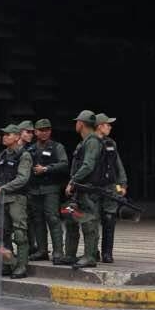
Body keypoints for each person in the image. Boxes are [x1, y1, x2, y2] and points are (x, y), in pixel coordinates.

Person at [0, 125, 32, 279]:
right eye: (3, 134)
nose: (4, 137)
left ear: (18, 137)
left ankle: (21, 265)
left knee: (20, 233)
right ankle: (8, 263)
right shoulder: (3, 155)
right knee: (4, 232)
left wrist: (2, 188)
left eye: (8, 134)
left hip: (16, 198)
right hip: (3, 198)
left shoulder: (23, 155)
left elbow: (22, 178)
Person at [61, 110, 104, 268]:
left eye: (77, 122)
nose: (76, 124)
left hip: (88, 189)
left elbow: (88, 165)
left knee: (88, 222)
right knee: (72, 218)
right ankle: (70, 254)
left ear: (81, 123)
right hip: (81, 189)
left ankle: (90, 256)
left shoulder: (92, 141)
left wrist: (73, 181)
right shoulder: (85, 142)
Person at [26, 119, 69, 264]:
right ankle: (42, 250)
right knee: (37, 220)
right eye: (41, 130)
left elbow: (64, 164)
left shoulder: (57, 147)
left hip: (50, 188)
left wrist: (46, 169)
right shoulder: (31, 149)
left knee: (53, 218)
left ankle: (58, 251)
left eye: (47, 129)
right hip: (34, 189)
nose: (44, 132)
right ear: (36, 132)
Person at [95, 113, 127, 263]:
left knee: (109, 219)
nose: (110, 127)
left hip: (110, 187)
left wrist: (122, 185)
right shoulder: (89, 143)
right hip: (93, 188)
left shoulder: (111, 143)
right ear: (100, 126)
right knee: (92, 221)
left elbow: (117, 166)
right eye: (108, 124)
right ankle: (92, 251)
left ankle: (107, 253)